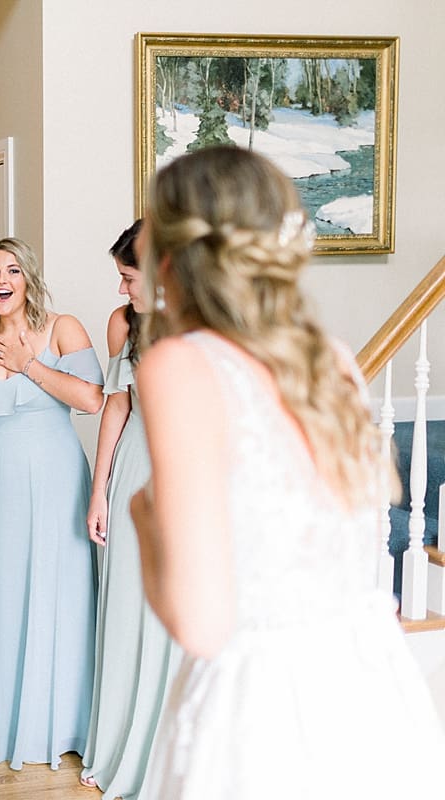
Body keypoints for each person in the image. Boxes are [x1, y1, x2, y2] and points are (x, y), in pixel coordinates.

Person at [130, 146, 445, 799]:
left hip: (261, 708)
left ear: (169, 256)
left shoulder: (180, 366)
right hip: (370, 689)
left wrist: (142, 519)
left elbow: (201, 626)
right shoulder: (331, 360)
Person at [0, 237, 104, 769]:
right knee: (6, 590)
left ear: (29, 278)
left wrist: (28, 364)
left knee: (57, 592)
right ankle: (8, 720)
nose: (2, 280)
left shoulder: (63, 328)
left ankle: (60, 723)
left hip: (56, 478)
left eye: (12, 270)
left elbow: (92, 399)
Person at [80, 220, 181, 798]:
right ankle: (122, 743)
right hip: (135, 469)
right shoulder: (126, 324)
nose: (121, 289)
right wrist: (99, 489)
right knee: (126, 606)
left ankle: (172, 753)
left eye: (128, 277)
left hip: (188, 474)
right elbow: (116, 408)